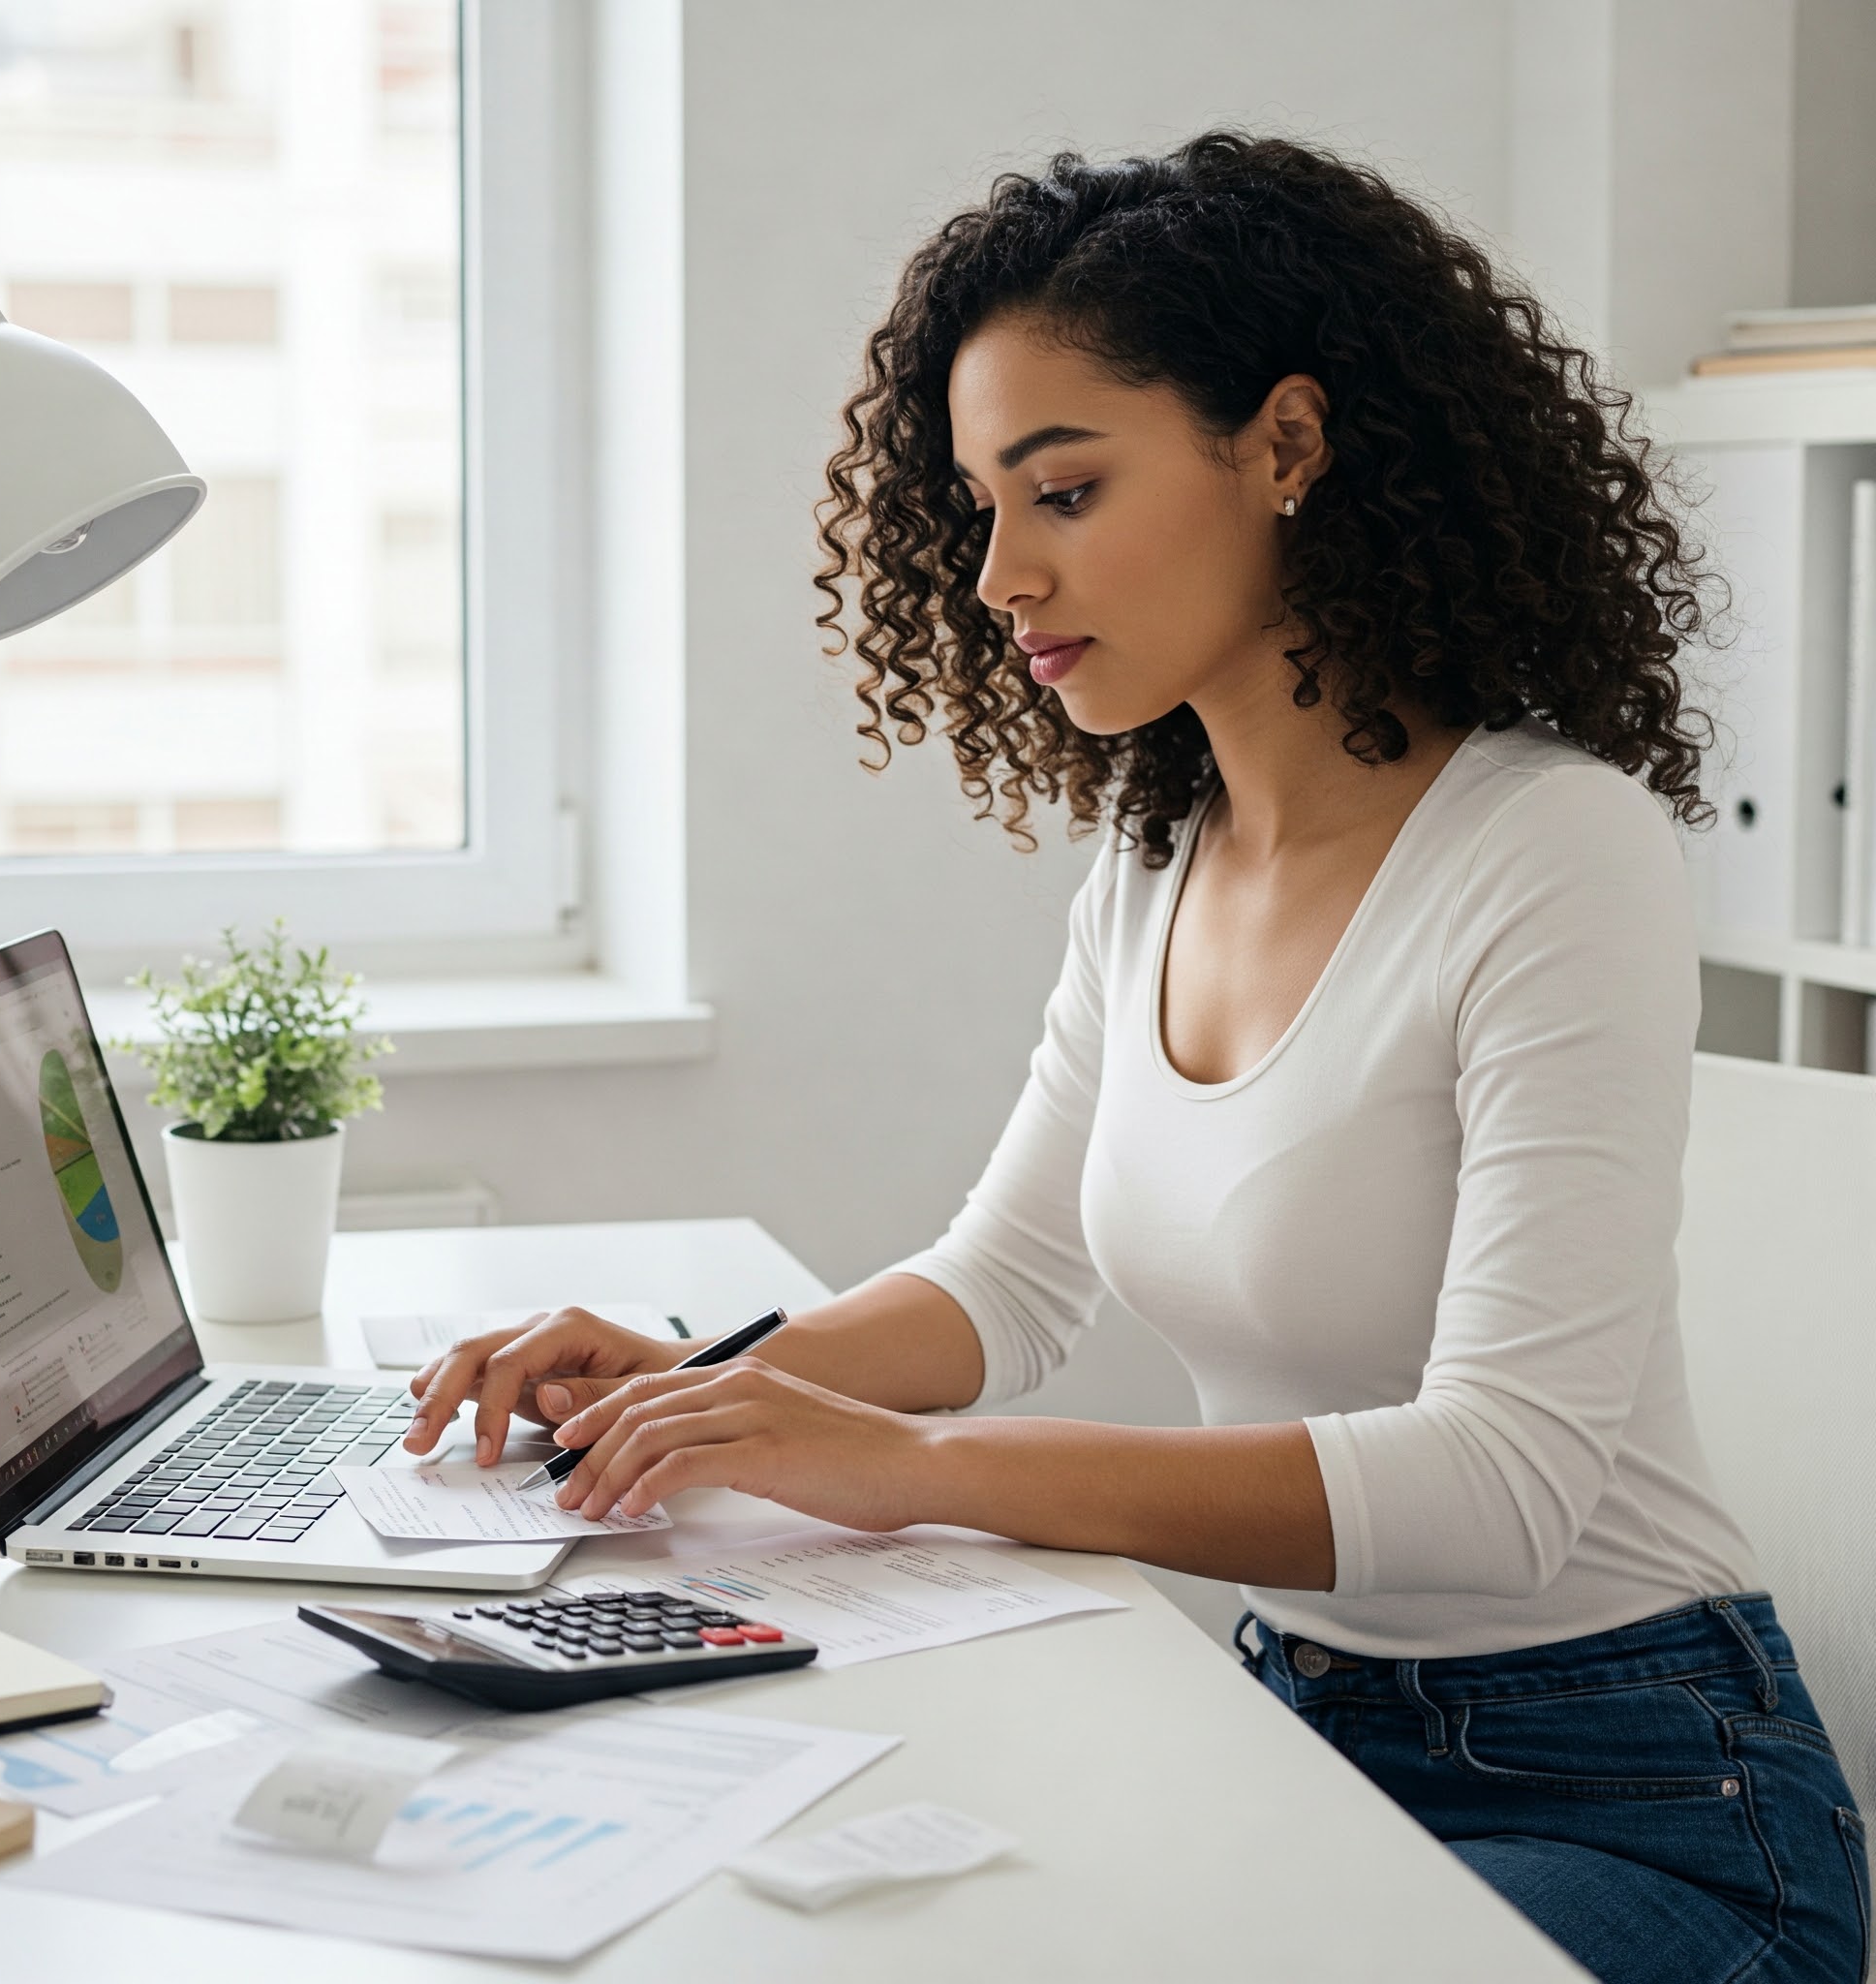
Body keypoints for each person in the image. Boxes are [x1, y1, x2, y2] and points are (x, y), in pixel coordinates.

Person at [403, 130, 1869, 1983]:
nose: (1004, 572)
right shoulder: (1157, 859)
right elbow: (1004, 1287)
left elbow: (1499, 1487)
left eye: (1066, 490)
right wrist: (702, 1389)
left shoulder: (1555, 852)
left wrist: (900, 1467)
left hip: (1636, 1797)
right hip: (1295, 1729)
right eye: (979, 508)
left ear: (1286, 447)